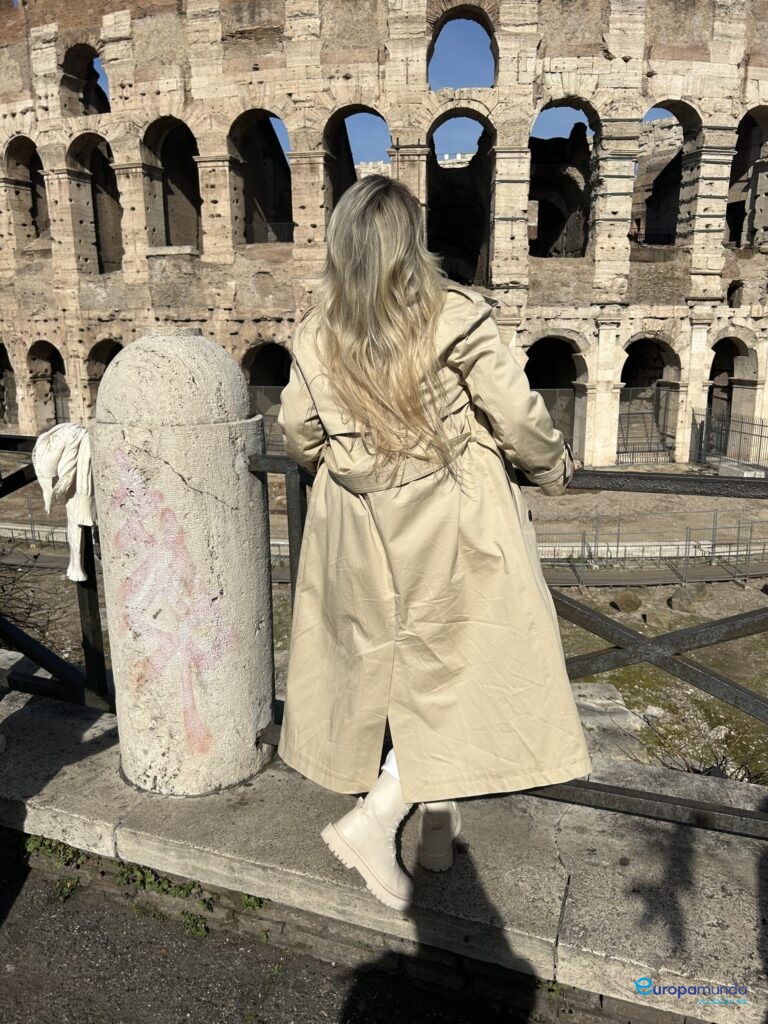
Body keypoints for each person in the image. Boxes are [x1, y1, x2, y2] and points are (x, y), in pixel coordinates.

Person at [276, 175, 593, 913]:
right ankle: (377, 820)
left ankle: (436, 836)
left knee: (396, 669)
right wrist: (554, 470)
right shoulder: (455, 313)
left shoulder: (316, 330)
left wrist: (344, 462)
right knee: (466, 667)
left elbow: (297, 431)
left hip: (359, 526)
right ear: (409, 243)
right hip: (453, 518)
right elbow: (518, 416)